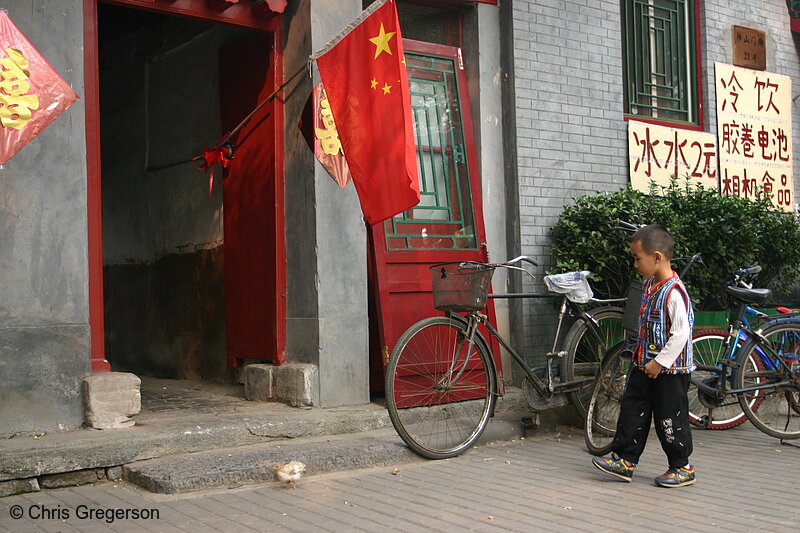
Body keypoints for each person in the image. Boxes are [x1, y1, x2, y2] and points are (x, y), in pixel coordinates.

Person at [592, 224, 696, 488]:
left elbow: (681, 334)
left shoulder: (674, 292)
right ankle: (624, 460)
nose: (635, 264)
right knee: (632, 408)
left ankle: (682, 467)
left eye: (638, 258)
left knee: (669, 417)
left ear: (657, 257)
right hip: (643, 363)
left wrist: (660, 363)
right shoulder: (650, 285)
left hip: (669, 371)